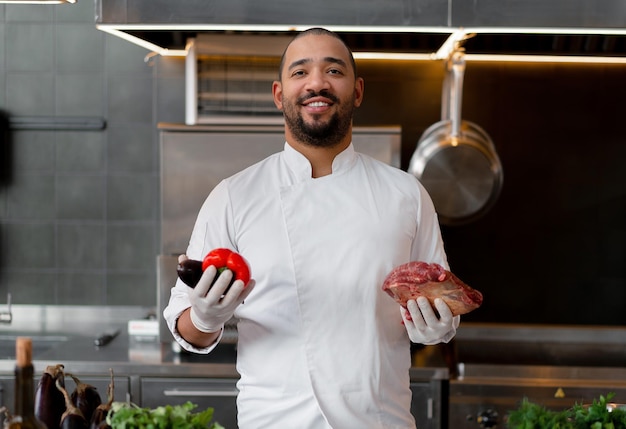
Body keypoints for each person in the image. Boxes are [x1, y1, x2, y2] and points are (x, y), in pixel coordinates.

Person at [164, 27, 459, 429]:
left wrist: (438, 329)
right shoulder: (234, 196)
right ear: (278, 94)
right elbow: (186, 330)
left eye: (333, 71)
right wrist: (204, 317)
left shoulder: (406, 194)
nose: (317, 83)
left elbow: (440, 302)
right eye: (300, 72)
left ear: (356, 92)